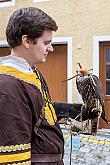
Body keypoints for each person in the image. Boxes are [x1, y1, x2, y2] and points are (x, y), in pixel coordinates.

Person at [0, 7, 64, 165]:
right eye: (46, 42)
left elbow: (38, 111)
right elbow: (14, 158)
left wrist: (71, 110)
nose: (51, 48)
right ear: (27, 41)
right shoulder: (8, 86)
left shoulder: (30, 71)